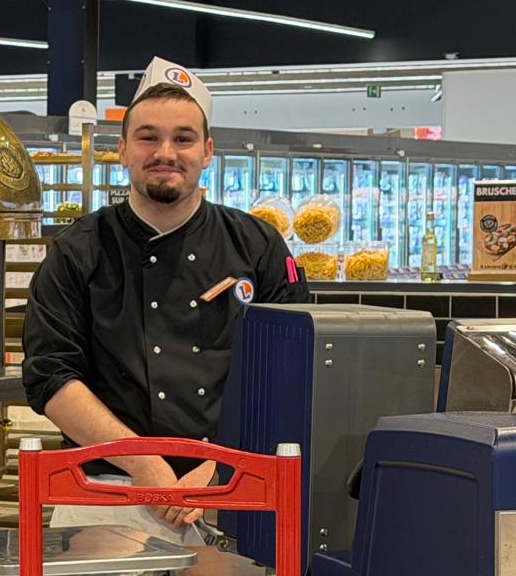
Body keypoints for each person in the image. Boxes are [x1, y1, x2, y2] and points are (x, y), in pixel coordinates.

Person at [22, 58, 307, 537]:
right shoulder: (76, 252)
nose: (166, 152)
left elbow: (294, 370)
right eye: (148, 137)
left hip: (235, 490)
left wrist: (219, 465)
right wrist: (144, 464)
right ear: (123, 150)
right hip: (106, 493)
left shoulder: (258, 247)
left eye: (183, 138)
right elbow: (49, 376)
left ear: (208, 151)